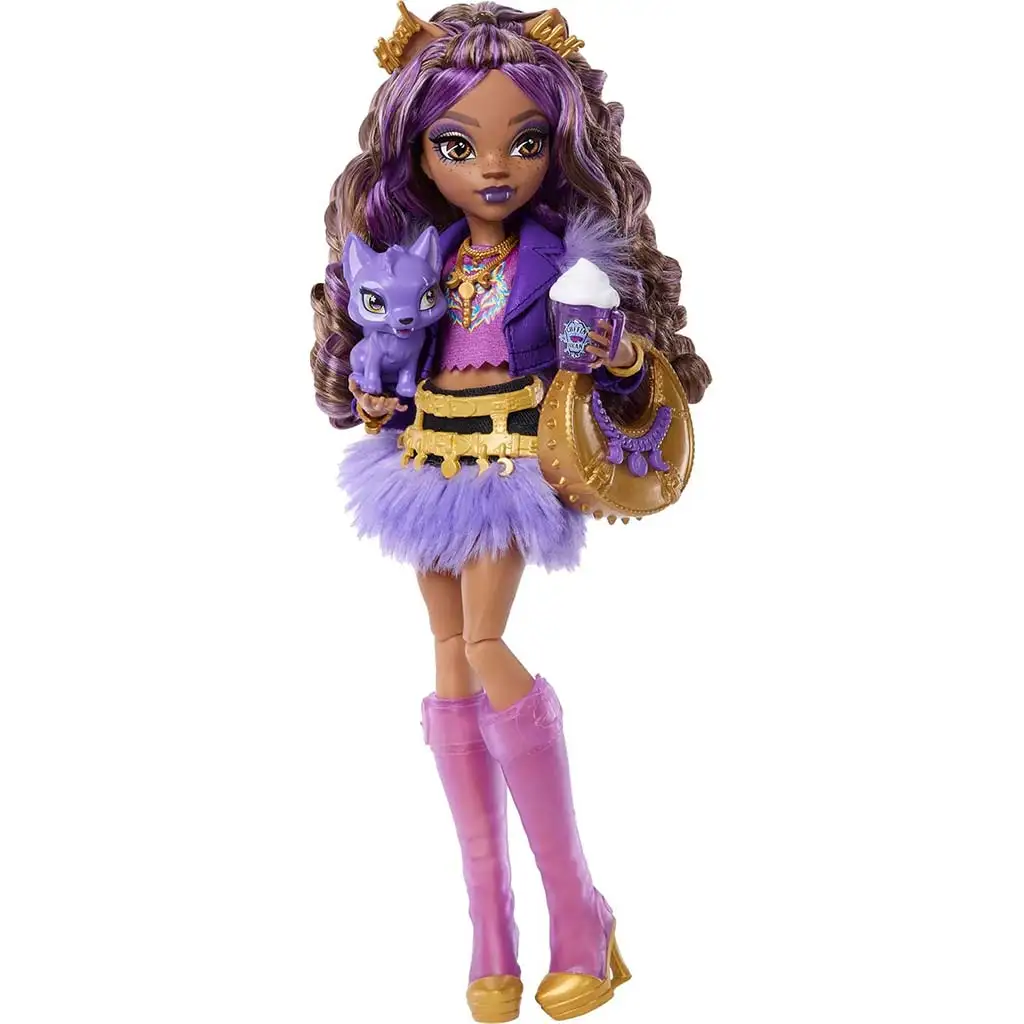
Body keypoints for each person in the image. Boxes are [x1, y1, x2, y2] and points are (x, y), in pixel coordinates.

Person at [309, 5, 710, 1020]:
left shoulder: (563, 255)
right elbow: (395, 344)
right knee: (448, 659)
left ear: (556, 147)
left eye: (522, 143)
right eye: (459, 146)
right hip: (427, 457)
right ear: (418, 152)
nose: (493, 166)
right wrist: (378, 393)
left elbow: (610, 349)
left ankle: (578, 910)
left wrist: (619, 351)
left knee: (485, 643)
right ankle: (490, 932)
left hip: (509, 461)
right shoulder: (425, 251)